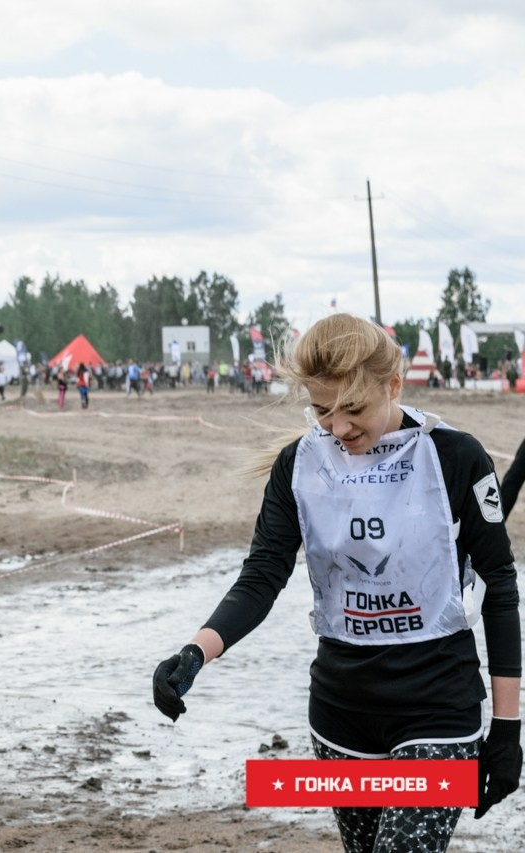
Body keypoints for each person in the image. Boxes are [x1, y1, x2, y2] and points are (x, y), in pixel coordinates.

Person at [151, 313, 521, 853]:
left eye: (354, 409)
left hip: (439, 706)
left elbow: (501, 587)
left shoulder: (456, 457)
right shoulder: (297, 466)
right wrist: (195, 652)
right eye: (323, 410)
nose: (339, 428)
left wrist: (508, 730)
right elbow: (262, 576)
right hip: (341, 713)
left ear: (392, 386)